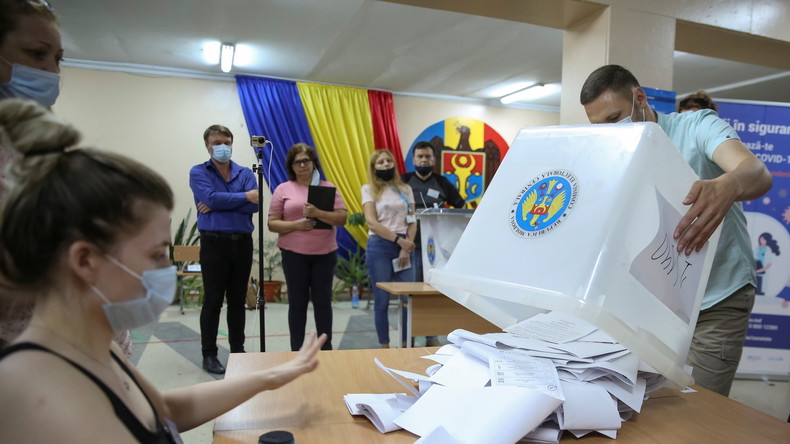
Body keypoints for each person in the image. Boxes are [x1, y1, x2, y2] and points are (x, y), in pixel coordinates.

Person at [0, 99, 327, 443]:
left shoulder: (101, 347)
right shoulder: (26, 393)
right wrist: (240, 199)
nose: (165, 268)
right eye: (156, 253)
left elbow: (163, 411)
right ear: (85, 261)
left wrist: (267, 378)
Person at [580, 64, 772, 396]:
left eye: (614, 118)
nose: (610, 131)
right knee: (645, 399)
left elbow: (756, 172)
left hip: (717, 300)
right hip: (656, 303)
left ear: (640, 98)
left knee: (700, 404)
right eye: (600, 126)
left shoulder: (695, 127)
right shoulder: (611, 154)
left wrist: (730, 184)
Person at [0, 0, 134, 357]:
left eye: (58, 59)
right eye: (37, 54)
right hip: (33, 354)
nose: (51, 71)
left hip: (92, 344)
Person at [189, 125, 259, 374]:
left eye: (227, 142)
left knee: (238, 302)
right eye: (217, 142)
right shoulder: (198, 171)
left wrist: (219, 201)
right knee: (213, 301)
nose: (223, 147)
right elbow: (210, 199)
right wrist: (244, 197)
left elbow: (255, 206)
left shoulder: (245, 172)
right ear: (207, 145)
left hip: (242, 243)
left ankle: (238, 351)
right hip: (213, 243)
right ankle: (209, 354)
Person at [268, 143, 347, 351]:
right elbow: (272, 223)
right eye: (297, 162)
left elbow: (342, 218)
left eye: (306, 161)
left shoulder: (327, 188)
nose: (302, 165)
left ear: (313, 163)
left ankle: (326, 350)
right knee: (297, 304)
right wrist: (297, 225)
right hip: (294, 255)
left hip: (324, 255)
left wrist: (317, 213)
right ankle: (296, 351)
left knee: (323, 303)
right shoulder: (283, 189)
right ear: (291, 166)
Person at [401, 141, 465, 347]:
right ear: (413, 159)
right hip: (409, 247)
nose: (424, 160)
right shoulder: (403, 181)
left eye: (427, 156)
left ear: (434, 159)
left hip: (436, 251)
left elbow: (461, 207)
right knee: (411, 292)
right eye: (420, 156)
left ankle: (431, 336)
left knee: (432, 292)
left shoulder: (442, 182)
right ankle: (408, 337)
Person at [362, 149, 417, 348]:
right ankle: (384, 346)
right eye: (380, 162)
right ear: (373, 167)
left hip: (405, 245)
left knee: (408, 299)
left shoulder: (405, 189)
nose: (385, 164)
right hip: (380, 246)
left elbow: (412, 220)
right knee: (382, 300)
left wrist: (406, 246)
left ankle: (405, 344)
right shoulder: (368, 189)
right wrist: (398, 241)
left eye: (388, 161)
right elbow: (371, 222)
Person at [754, 232, 780, 298]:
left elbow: (769, 264)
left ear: (767, 240)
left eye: (763, 239)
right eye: (760, 239)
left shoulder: (768, 250)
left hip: (762, 273)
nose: (761, 241)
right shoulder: (757, 248)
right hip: (755, 271)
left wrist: (760, 270)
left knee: (760, 291)